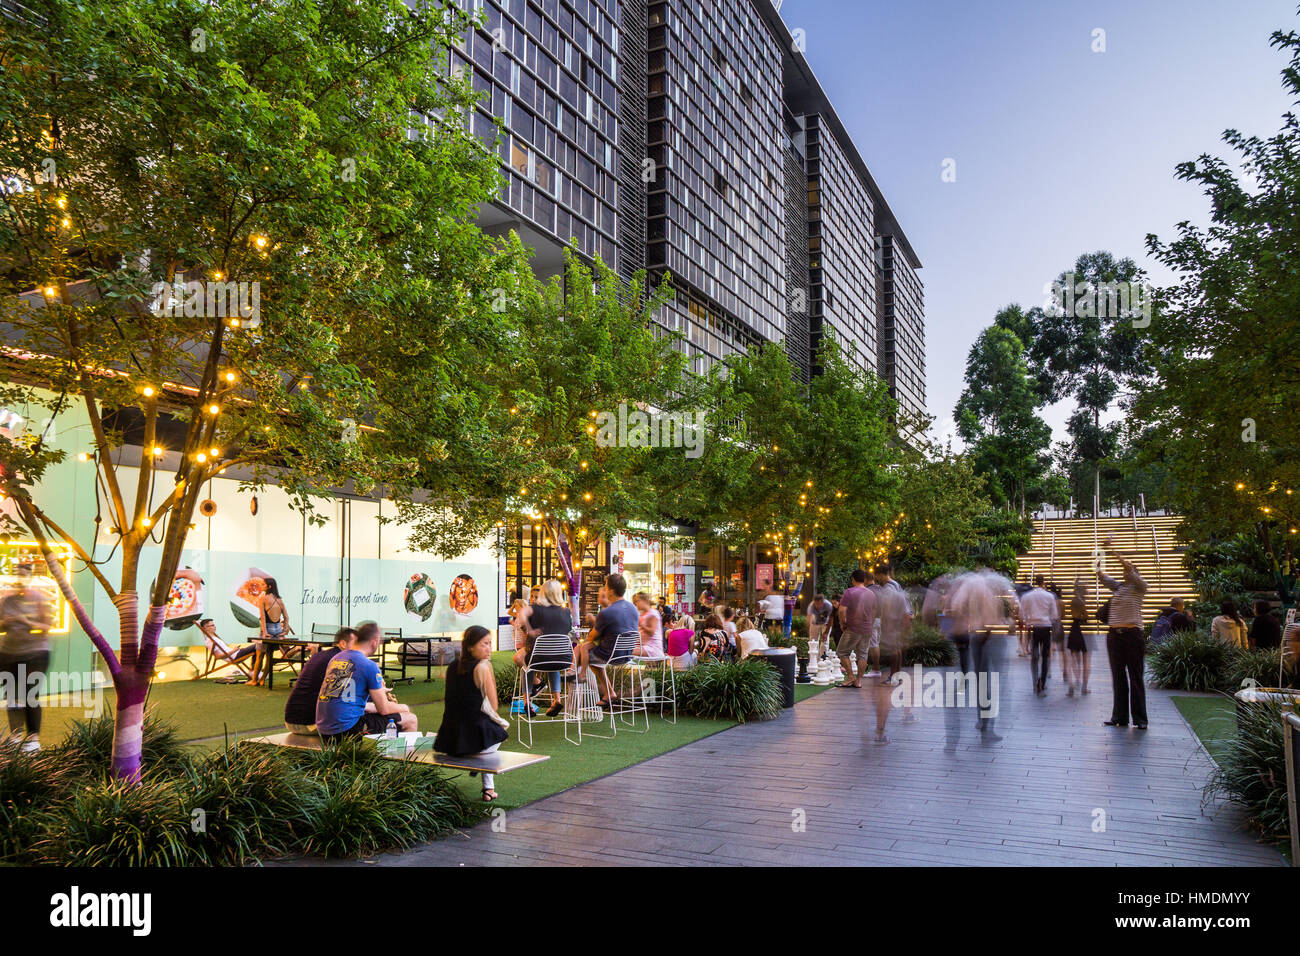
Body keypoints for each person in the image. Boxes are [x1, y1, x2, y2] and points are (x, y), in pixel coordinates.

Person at [436, 626, 511, 802]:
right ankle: (486, 783)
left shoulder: (453, 666)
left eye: (490, 643)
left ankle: (489, 789)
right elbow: (494, 706)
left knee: (486, 728)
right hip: (475, 744)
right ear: (470, 647)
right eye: (484, 644)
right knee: (500, 732)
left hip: (450, 741)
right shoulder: (483, 666)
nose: (489, 648)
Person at [315, 622, 416, 741]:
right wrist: (403, 707)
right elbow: (384, 709)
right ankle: (404, 758)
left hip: (323, 728)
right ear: (374, 642)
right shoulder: (369, 665)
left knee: (375, 715)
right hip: (346, 730)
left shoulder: (336, 658)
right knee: (411, 719)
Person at [0, 563, 53, 751]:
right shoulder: (6, 600)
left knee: (30, 694)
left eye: (23, 575)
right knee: (12, 696)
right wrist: (5, 622)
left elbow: (46, 627)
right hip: (8, 653)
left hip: (36, 653)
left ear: (29, 577)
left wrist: (26, 621)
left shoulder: (40, 598)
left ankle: (32, 740)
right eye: (17, 575)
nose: (19, 579)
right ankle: (15, 736)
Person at [1098, 537, 1149, 730]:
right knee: (1118, 676)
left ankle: (1140, 719)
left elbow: (1128, 568)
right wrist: (1100, 551)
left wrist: (1114, 553)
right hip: (1114, 636)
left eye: (1128, 570)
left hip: (1133, 635)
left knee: (1135, 676)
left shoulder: (1140, 587)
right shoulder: (1119, 588)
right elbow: (1100, 574)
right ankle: (1119, 716)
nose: (1124, 572)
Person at [285, 627, 372, 734]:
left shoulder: (319, 655)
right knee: (381, 717)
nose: (360, 648)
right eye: (356, 644)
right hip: (311, 724)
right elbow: (348, 697)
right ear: (343, 644)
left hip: (291, 720)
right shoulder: (342, 661)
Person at [514, 579, 575, 718]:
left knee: (528, 664)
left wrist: (530, 630)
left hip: (538, 657)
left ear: (543, 592)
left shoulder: (535, 608)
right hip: (564, 659)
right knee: (552, 660)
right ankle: (557, 700)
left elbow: (521, 614)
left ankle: (527, 702)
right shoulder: (566, 612)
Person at [577, 572, 639, 707]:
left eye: (605, 586)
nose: (604, 589)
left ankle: (573, 682)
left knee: (584, 653)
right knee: (588, 653)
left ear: (611, 590)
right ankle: (609, 692)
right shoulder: (633, 608)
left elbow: (591, 637)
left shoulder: (606, 613)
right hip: (628, 654)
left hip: (610, 655)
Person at [872, 565, 912, 744]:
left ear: (881, 575)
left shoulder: (889, 589)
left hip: (893, 625)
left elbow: (895, 609)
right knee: (896, 649)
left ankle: (894, 676)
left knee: (895, 650)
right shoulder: (896, 586)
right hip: (896, 625)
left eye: (877, 576)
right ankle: (896, 676)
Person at [248, 576, 295, 687]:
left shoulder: (263, 599)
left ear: (269, 587)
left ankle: (254, 681)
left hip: (267, 629)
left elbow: (263, 618)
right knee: (270, 656)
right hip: (277, 629)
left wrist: (264, 632)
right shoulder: (279, 600)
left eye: (263, 584)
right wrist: (284, 631)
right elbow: (287, 617)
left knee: (260, 655)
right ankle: (263, 679)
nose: (261, 586)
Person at [1020, 574, 1060, 696]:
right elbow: (1054, 615)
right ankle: (1042, 683)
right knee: (1045, 656)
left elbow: (1022, 614)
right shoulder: (1049, 596)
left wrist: (1027, 621)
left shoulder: (1027, 596)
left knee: (1034, 657)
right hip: (1046, 628)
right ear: (1043, 582)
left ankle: (1035, 681)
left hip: (1033, 628)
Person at [836, 569, 877, 688]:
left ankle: (850, 676)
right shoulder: (871, 593)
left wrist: (842, 623)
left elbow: (842, 610)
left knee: (842, 652)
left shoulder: (849, 592)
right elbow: (874, 610)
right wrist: (871, 622)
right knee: (863, 655)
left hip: (853, 627)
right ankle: (858, 681)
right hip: (867, 627)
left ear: (853, 579)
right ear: (864, 580)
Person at [1066, 578, 1091, 696]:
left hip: (1073, 628)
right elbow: (1085, 615)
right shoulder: (1082, 602)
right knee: (1085, 659)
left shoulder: (1073, 601)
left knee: (1073, 657)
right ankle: (1083, 686)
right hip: (1082, 630)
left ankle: (1073, 683)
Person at [634, 591, 664, 658]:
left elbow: (651, 632)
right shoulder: (643, 614)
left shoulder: (653, 613)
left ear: (644, 601)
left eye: (637, 601)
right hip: (644, 646)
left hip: (653, 648)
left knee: (627, 651)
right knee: (624, 650)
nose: (636, 604)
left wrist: (641, 624)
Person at [806, 593, 833, 659]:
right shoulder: (811, 606)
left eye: (819, 604)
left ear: (823, 602)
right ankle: (814, 659)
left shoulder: (829, 605)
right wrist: (809, 628)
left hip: (826, 623)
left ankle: (823, 659)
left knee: (825, 641)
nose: (817, 606)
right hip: (815, 623)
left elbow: (832, 618)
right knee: (813, 641)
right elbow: (809, 618)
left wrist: (826, 633)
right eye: (816, 604)